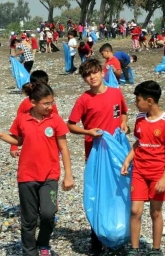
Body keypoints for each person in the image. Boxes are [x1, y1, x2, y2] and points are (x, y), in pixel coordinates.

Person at [0, 83, 74, 256]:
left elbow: (64, 148)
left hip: (50, 175)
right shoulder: (22, 119)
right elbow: (16, 140)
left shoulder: (55, 120)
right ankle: (29, 251)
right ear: (33, 102)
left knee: (49, 214)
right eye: (46, 103)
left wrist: (68, 175)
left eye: (52, 102)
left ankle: (43, 243)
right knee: (29, 219)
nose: (50, 107)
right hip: (27, 176)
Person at [67, 58, 128, 254]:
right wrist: (88, 132)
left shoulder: (116, 93)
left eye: (94, 72)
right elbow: (71, 124)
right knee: (98, 194)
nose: (91, 77)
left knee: (119, 192)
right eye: (86, 75)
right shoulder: (84, 99)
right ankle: (97, 239)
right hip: (95, 154)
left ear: (103, 72)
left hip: (117, 153)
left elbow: (124, 113)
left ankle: (119, 234)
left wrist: (124, 124)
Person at [121, 81, 165, 256]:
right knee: (135, 210)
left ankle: (155, 249)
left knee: (155, 212)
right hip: (139, 171)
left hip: (157, 174)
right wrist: (128, 160)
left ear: (150, 101)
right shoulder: (140, 119)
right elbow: (139, 142)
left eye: (138, 100)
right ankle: (134, 249)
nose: (136, 104)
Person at [9, 70, 59, 158]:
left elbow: (56, 124)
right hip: (30, 146)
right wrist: (14, 146)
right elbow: (18, 127)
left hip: (48, 144)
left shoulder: (50, 104)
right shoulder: (25, 104)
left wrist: (59, 145)